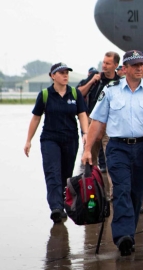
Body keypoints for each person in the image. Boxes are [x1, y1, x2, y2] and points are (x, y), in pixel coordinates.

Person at [81, 50, 143, 256]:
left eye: (142, 65)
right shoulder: (110, 90)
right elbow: (97, 122)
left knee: (136, 193)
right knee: (122, 189)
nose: (139, 68)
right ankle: (122, 236)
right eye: (134, 65)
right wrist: (87, 150)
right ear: (124, 69)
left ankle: (129, 233)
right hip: (118, 147)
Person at [24, 63, 88, 224]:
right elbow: (36, 118)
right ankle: (56, 208)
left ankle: (61, 203)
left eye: (66, 73)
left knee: (65, 174)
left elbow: (82, 114)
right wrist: (28, 140)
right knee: (52, 172)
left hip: (70, 139)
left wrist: (85, 133)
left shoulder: (75, 93)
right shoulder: (45, 94)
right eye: (61, 73)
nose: (65, 75)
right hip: (50, 139)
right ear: (53, 76)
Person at [77, 52, 121, 199]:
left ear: (115, 65)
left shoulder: (119, 82)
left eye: (108, 63)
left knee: (112, 161)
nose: (104, 66)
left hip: (111, 124)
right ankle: (91, 192)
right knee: (90, 159)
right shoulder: (95, 78)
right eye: (103, 62)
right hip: (92, 122)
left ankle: (114, 194)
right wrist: (91, 82)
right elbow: (78, 94)